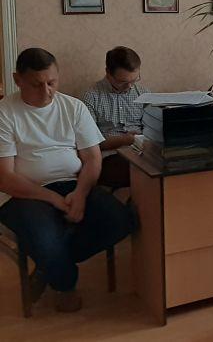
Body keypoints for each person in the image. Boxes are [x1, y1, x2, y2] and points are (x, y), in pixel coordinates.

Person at [0, 48, 134, 312]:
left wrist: (81, 194)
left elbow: (93, 158)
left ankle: (50, 266)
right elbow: (5, 178)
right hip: (25, 194)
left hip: (72, 184)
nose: (46, 92)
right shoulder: (5, 113)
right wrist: (54, 199)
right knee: (46, 239)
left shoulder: (73, 107)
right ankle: (64, 284)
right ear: (18, 80)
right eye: (37, 84)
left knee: (122, 220)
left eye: (52, 83)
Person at [82, 46, 150, 188]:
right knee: (140, 172)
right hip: (110, 157)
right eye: (123, 82)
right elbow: (90, 143)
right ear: (108, 73)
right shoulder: (91, 97)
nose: (130, 86)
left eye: (134, 80)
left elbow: (154, 128)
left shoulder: (143, 94)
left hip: (144, 153)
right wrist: (125, 140)